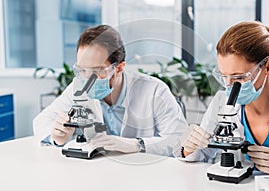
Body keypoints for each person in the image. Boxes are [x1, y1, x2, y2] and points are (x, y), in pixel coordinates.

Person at [33, 25, 187, 157]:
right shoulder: (78, 86)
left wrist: (136, 145)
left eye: (97, 71)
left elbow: (178, 140)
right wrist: (56, 136)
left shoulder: (154, 91)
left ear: (118, 68)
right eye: (82, 70)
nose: (88, 79)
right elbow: (41, 122)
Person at [175, 21, 269, 174]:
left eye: (238, 77)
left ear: (268, 66)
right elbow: (201, 156)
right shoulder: (221, 102)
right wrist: (189, 148)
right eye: (224, 77)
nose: (229, 86)